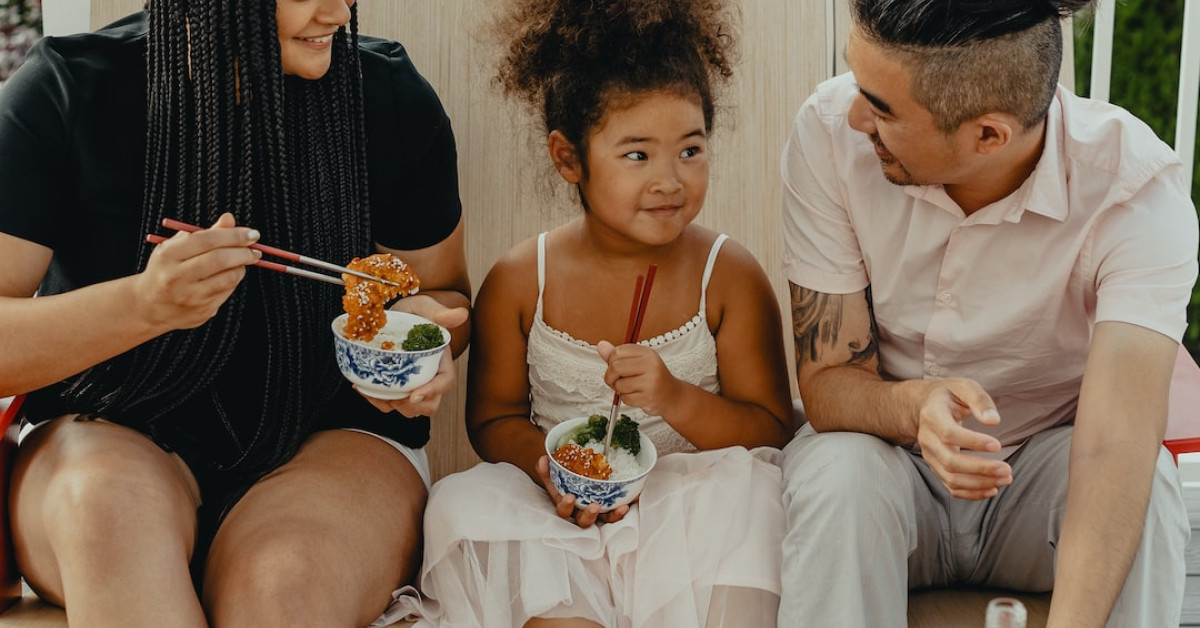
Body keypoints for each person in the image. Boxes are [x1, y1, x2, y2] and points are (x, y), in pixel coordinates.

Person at [0, 0, 470, 626]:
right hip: (107, 429)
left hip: (332, 438)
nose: (340, 7)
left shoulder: (386, 94)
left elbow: (447, 297)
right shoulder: (72, 84)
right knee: (104, 510)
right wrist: (143, 306)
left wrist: (419, 340)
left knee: (284, 588)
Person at [778, 0, 1198, 626]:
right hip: (887, 469)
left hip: (1037, 478)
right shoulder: (829, 133)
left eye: (883, 108)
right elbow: (827, 382)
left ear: (988, 135)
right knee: (838, 474)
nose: (856, 114)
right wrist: (915, 408)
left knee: (1155, 493)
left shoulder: (1135, 194)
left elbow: (1115, 445)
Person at [393, 0, 794, 626]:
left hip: (694, 509)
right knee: (462, 505)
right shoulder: (523, 280)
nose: (670, 180)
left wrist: (673, 397)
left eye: (690, 149)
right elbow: (493, 419)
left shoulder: (729, 275)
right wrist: (553, 469)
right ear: (568, 158)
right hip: (559, 512)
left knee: (753, 498)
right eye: (637, 155)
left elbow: (771, 428)